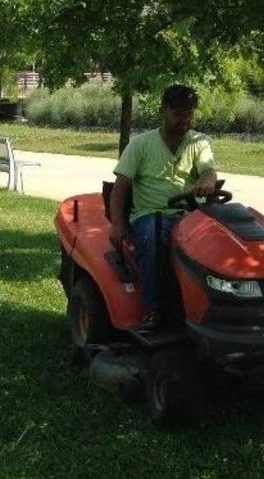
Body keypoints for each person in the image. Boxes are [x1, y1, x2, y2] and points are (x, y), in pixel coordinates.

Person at [109, 84, 218, 332]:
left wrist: (206, 183)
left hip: (190, 217)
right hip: (150, 216)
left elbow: (208, 171)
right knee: (155, 234)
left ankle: (214, 308)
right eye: (178, 113)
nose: (185, 119)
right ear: (163, 112)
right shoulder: (140, 145)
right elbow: (119, 189)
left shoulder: (200, 142)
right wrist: (117, 225)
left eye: (189, 113)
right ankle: (152, 309)